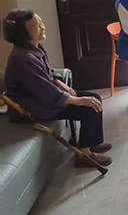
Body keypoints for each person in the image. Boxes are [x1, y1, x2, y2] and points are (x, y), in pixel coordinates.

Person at [2, 9, 112, 167]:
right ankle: (84, 156)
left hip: (41, 99)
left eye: (41, 23)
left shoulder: (35, 48)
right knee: (88, 108)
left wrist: (60, 83)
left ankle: (90, 142)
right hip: (30, 108)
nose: (43, 27)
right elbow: (45, 91)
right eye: (37, 26)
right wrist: (77, 100)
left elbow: (46, 74)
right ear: (23, 34)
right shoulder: (22, 58)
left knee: (94, 97)